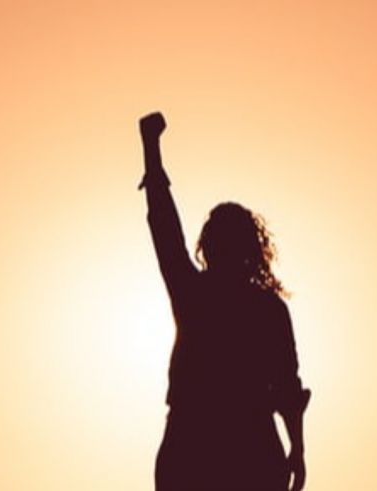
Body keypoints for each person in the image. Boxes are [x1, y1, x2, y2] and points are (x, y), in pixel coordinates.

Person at [138, 112, 311, 491]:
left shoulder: (196, 294)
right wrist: (297, 449)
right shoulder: (264, 308)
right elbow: (287, 390)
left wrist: (151, 150)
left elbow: (164, 227)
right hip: (228, 448)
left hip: (208, 447)